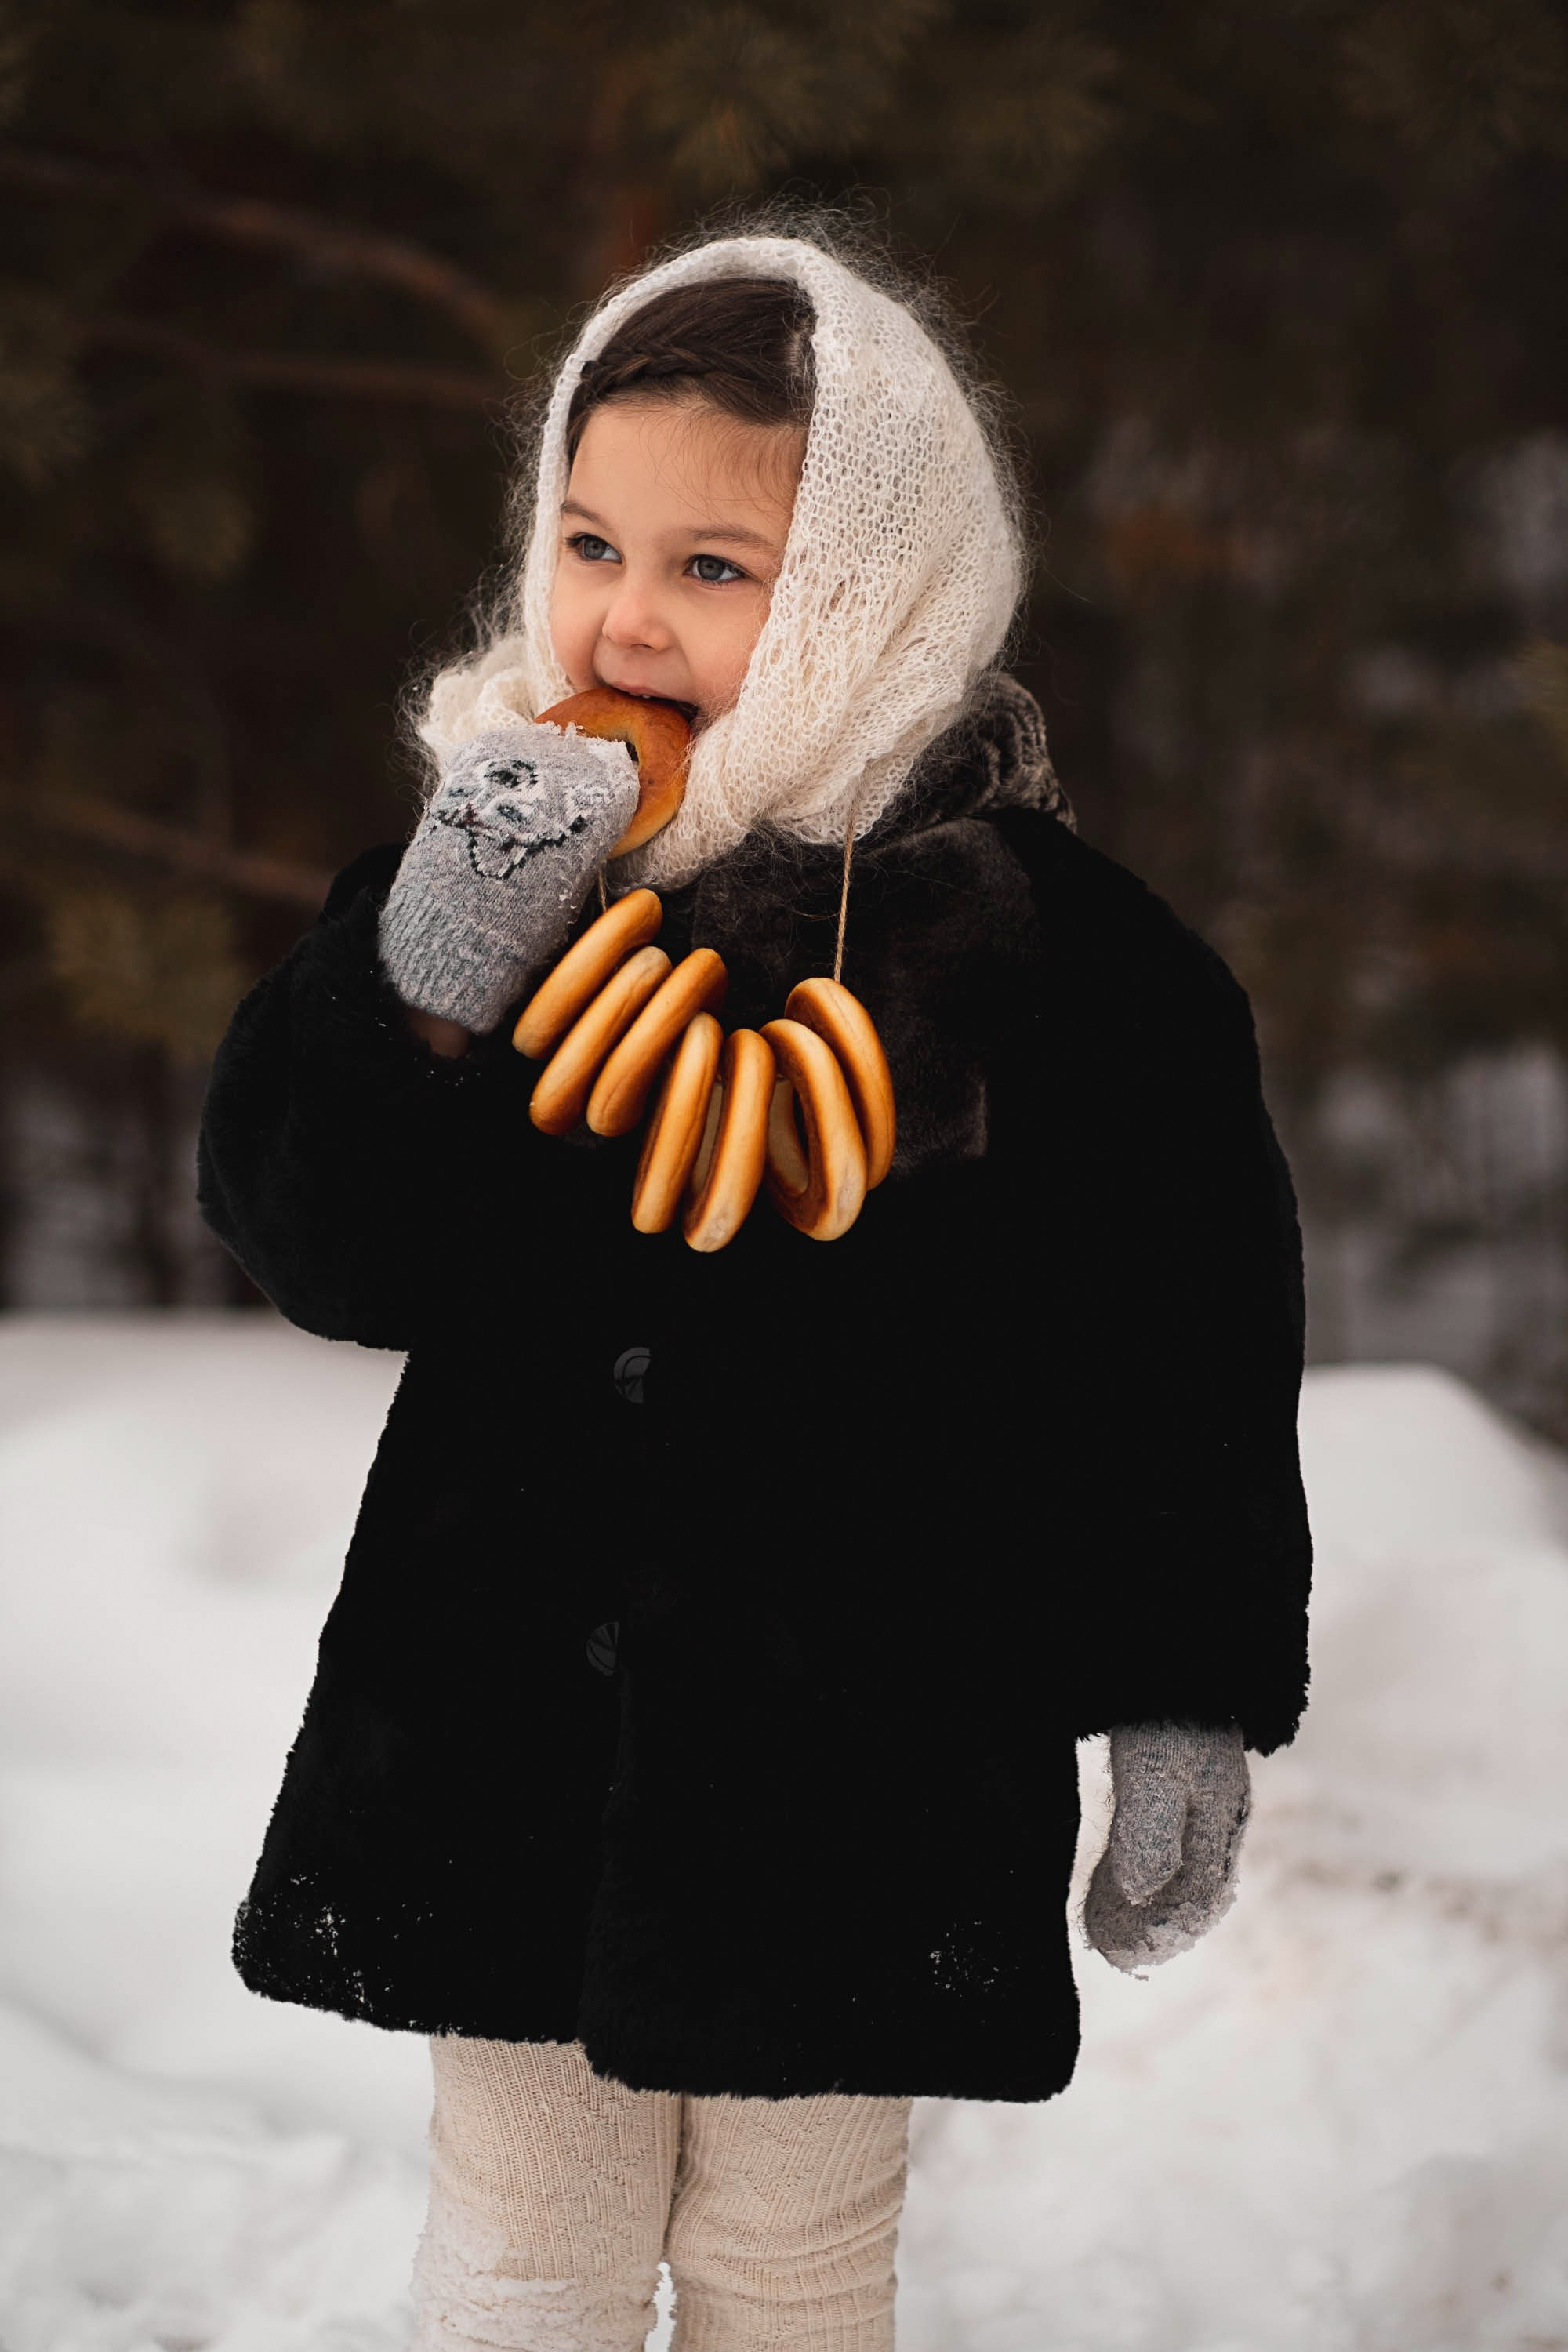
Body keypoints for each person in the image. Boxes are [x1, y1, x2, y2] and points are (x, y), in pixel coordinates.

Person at [198, 219, 1313, 2352]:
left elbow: (1180, 1342)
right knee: (522, 2244)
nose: (626, 614)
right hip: (506, 1702)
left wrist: (1184, 1677)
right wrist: (421, 982)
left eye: (716, 567)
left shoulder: (1057, 954)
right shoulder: (497, 875)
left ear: (878, 584)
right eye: (594, 541)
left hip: (871, 1735)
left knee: (798, 2259)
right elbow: (315, 1241)